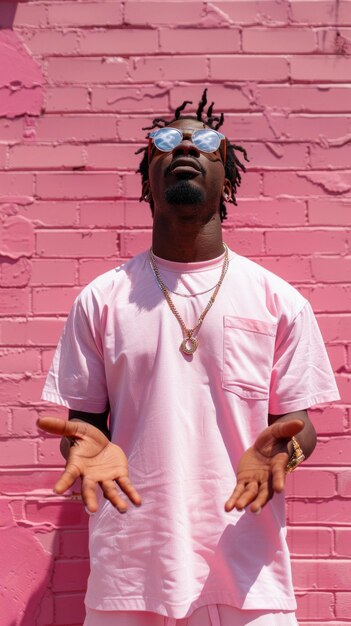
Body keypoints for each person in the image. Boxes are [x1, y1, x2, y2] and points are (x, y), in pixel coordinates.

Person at [38, 90, 339, 626]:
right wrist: (80, 448)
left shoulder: (278, 300)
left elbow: (296, 425)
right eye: (164, 141)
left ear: (226, 175)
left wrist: (284, 454)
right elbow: (83, 427)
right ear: (147, 175)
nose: (184, 147)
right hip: (130, 572)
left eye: (205, 142)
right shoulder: (102, 299)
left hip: (249, 573)